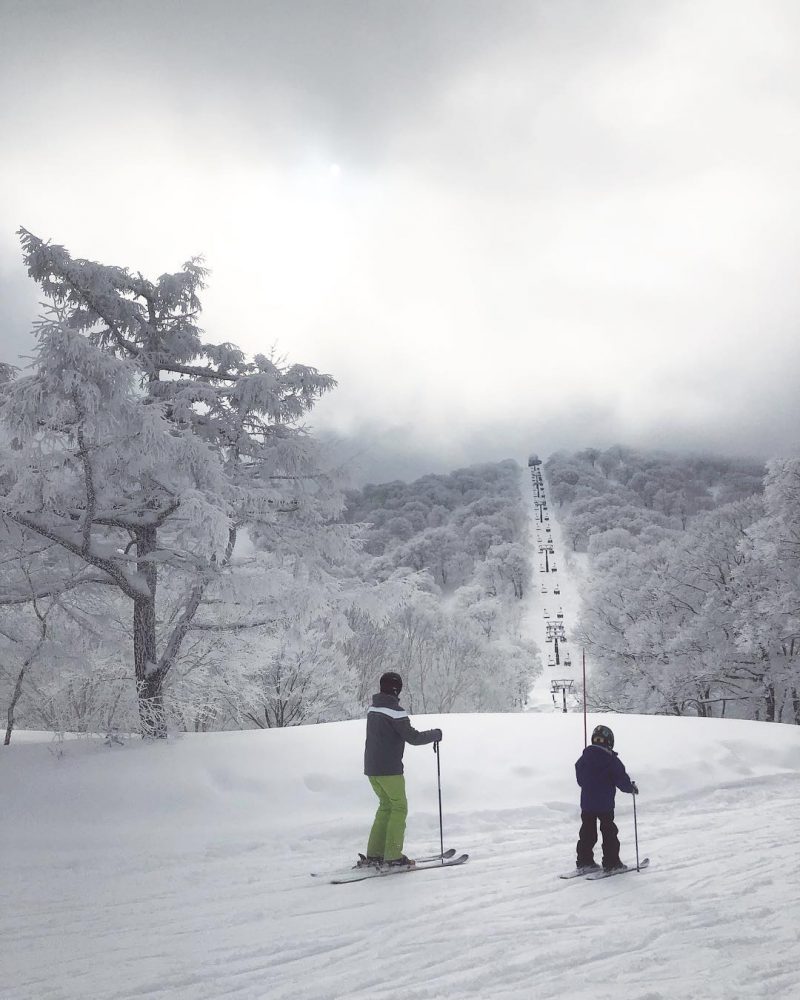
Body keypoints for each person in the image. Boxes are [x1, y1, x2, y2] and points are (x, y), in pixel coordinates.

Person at [361, 671, 442, 869]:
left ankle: (374, 854)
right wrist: (435, 734)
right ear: (396, 689)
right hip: (390, 771)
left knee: (385, 807)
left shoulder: (374, 708)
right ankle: (393, 856)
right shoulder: (395, 711)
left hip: (372, 769)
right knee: (399, 808)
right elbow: (412, 738)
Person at [574, 724, 639, 873]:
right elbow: (621, 780)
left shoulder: (583, 759)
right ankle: (612, 862)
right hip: (605, 805)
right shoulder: (611, 761)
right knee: (609, 831)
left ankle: (585, 861)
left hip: (587, 804)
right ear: (609, 741)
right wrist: (631, 788)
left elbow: (580, 781)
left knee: (587, 832)